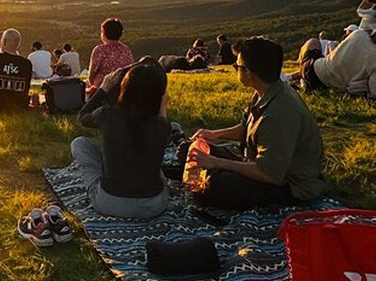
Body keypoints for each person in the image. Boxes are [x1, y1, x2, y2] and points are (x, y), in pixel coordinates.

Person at [190, 37, 327, 210]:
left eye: (237, 67)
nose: (236, 70)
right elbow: (246, 128)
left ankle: (216, 174)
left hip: (290, 184)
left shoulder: (280, 113)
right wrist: (213, 135)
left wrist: (217, 162)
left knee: (215, 184)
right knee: (193, 150)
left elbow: (269, 174)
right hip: (255, 160)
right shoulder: (265, 91)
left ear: (248, 72)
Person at [71, 62, 170, 218]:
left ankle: (103, 179)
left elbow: (83, 116)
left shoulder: (107, 115)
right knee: (156, 165)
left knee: (79, 144)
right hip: (154, 206)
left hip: (110, 203)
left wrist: (103, 89)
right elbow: (159, 133)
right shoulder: (163, 125)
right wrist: (162, 109)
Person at [299, 29, 376, 98]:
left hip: (315, 69)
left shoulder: (359, 34)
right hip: (325, 81)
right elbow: (373, 93)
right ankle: (301, 78)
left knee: (313, 42)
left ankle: (300, 78)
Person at [0, 28, 33, 112]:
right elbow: (26, 86)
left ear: (4, 42)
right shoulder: (26, 64)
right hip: (19, 106)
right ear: (18, 43)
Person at [87, 18, 134, 96]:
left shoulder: (100, 50)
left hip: (103, 89)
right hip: (122, 88)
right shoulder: (126, 49)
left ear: (104, 33)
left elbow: (91, 74)